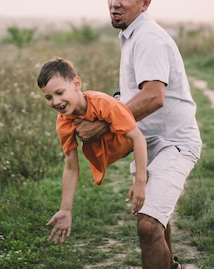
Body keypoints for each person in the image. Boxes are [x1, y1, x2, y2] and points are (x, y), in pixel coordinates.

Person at [74, 0, 202, 269]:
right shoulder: (131, 34)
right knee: (159, 217)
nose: (115, 3)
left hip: (175, 143)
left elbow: (154, 97)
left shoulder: (148, 38)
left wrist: (105, 125)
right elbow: (134, 92)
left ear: (145, 3)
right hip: (150, 141)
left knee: (148, 224)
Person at [36, 56, 148, 245]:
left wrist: (140, 180)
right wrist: (66, 209)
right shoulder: (64, 121)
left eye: (59, 92)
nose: (55, 101)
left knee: (118, 113)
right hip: (113, 144)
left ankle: (121, 99)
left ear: (77, 83)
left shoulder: (103, 104)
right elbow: (71, 167)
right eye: (48, 97)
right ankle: (119, 102)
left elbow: (138, 138)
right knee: (110, 116)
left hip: (131, 138)